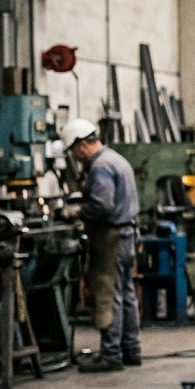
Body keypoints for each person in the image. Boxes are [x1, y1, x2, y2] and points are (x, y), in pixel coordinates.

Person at [59, 118, 141, 373]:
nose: (76, 156)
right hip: (127, 234)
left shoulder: (101, 166)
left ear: (82, 145)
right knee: (126, 294)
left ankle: (111, 354)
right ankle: (131, 350)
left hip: (110, 238)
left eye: (74, 151)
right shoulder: (117, 159)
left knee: (109, 295)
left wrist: (73, 212)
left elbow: (102, 205)